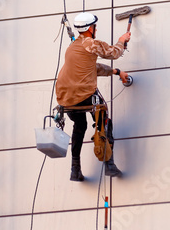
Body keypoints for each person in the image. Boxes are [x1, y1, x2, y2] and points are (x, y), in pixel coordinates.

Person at [56, 12, 131, 181]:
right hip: (84, 94)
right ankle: (109, 164)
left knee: (80, 124)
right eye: (94, 27)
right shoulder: (90, 43)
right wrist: (122, 40)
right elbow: (114, 53)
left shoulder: (73, 47)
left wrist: (116, 72)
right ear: (91, 28)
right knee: (103, 120)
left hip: (65, 97)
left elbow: (91, 67)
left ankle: (75, 168)